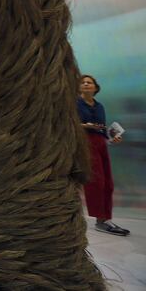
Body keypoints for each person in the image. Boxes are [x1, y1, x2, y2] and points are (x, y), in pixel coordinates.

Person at [77, 74, 129, 236]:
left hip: (100, 143)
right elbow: (68, 123)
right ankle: (100, 220)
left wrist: (113, 138)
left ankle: (106, 218)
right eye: (83, 82)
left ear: (95, 87)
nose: (86, 84)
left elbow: (103, 129)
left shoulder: (100, 107)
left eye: (89, 82)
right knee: (96, 182)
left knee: (108, 183)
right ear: (78, 87)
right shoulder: (74, 104)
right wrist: (86, 125)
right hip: (85, 142)